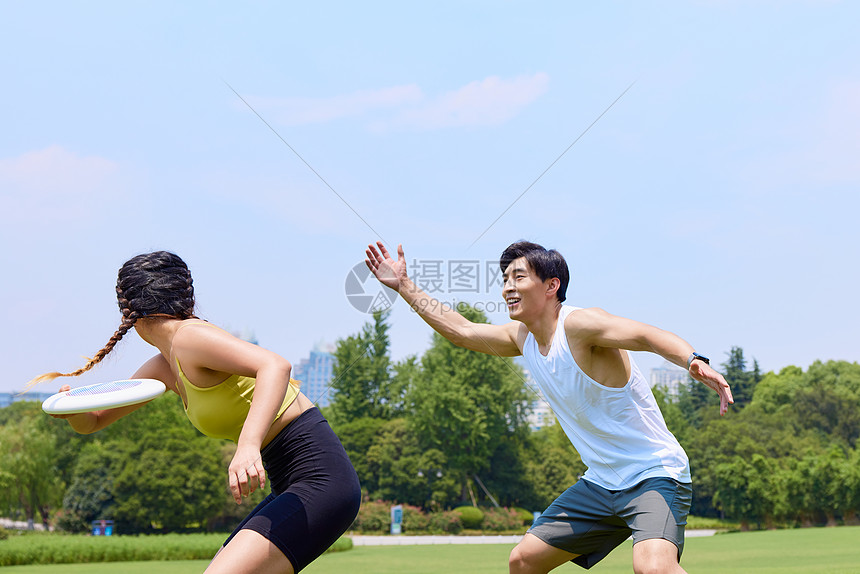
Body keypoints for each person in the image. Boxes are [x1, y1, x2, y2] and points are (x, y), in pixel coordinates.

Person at [365, 241, 733, 574]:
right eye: (505, 278)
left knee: (653, 569)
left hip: (654, 473)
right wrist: (404, 286)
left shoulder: (581, 325)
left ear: (551, 285)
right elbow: (460, 330)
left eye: (519, 276)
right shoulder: (521, 338)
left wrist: (692, 359)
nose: (508, 286)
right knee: (523, 561)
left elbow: (645, 335)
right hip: (603, 482)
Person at [31, 251, 360, 574]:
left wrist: (247, 446)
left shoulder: (191, 338)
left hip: (321, 478)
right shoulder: (164, 365)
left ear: (129, 312)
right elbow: (95, 421)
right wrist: (72, 408)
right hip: (288, 479)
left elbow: (275, 365)